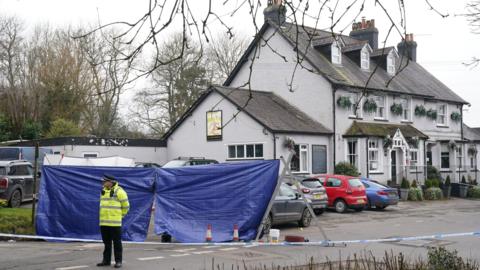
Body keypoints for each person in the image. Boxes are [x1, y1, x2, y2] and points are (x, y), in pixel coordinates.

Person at [97, 174, 129, 268]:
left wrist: (120, 215)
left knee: (117, 243)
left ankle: (118, 261)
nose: (103, 183)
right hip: (104, 223)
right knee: (106, 243)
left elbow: (126, 206)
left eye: (105, 181)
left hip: (115, 223)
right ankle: (106, 261)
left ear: (111, 182)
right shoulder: (103, 191)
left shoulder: (120, 191)